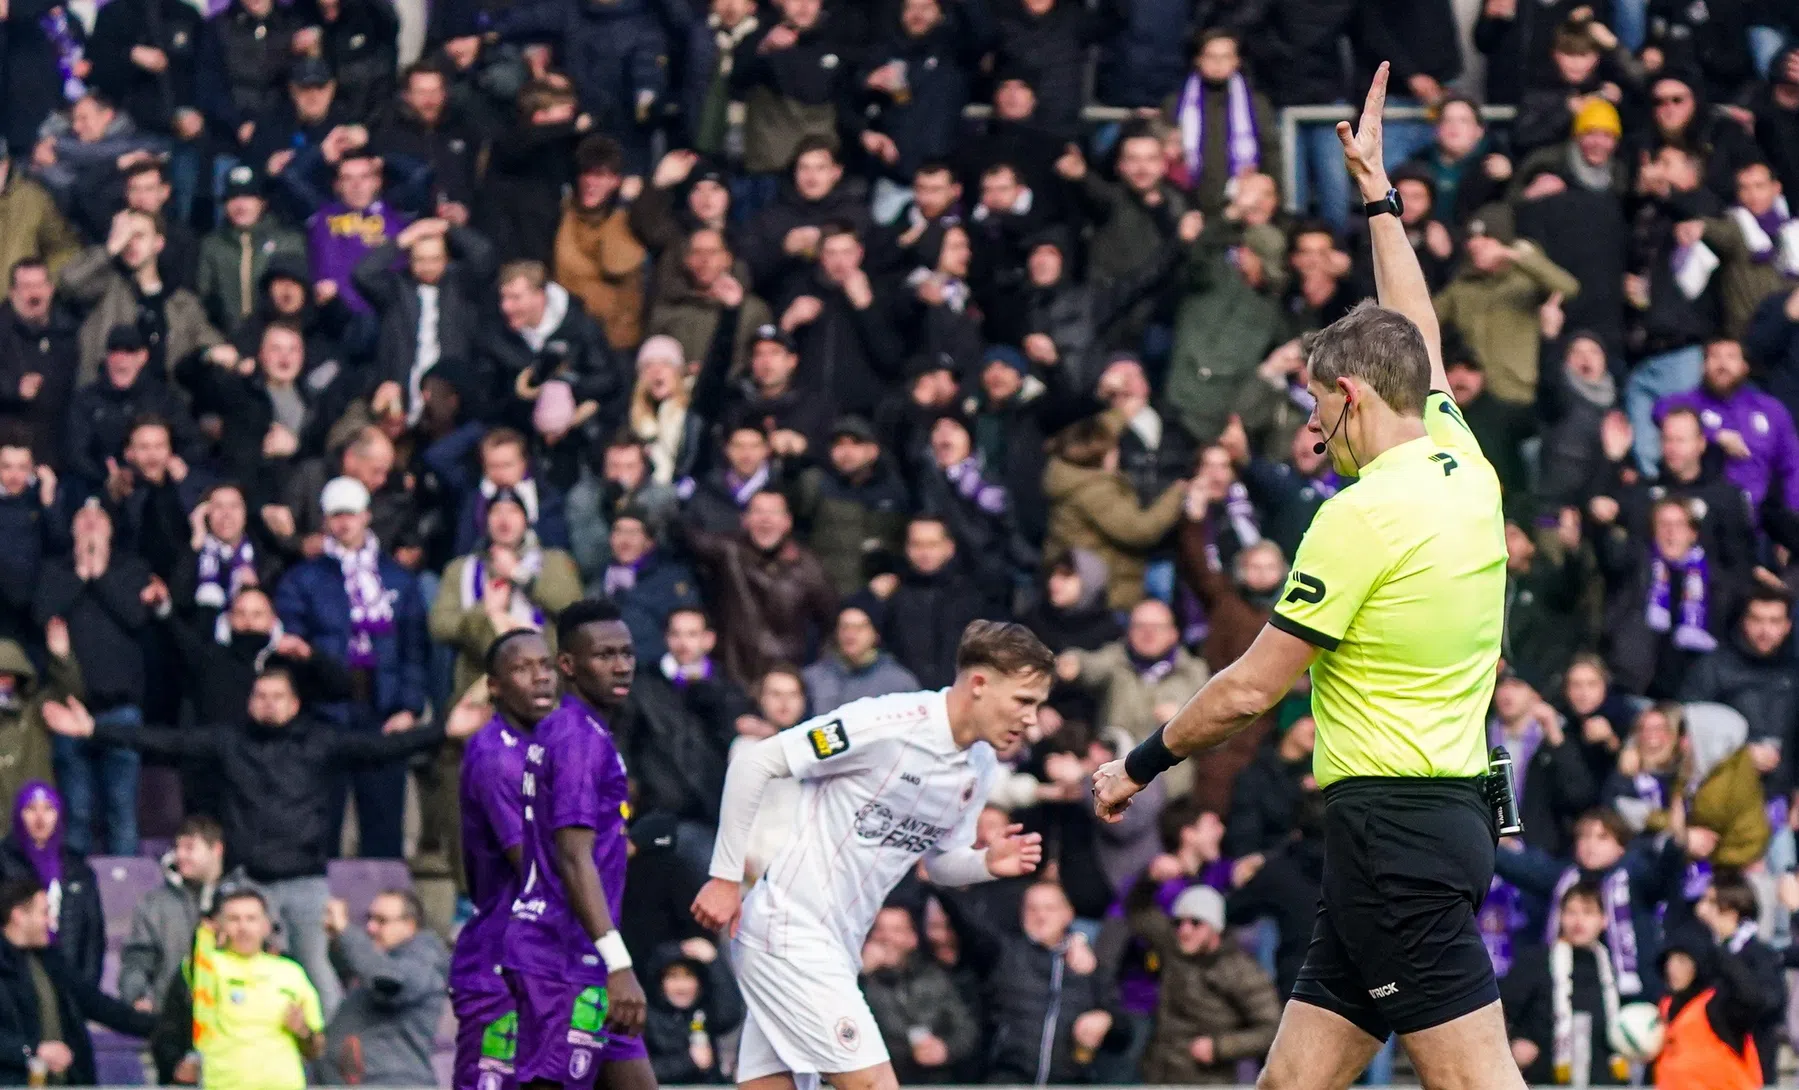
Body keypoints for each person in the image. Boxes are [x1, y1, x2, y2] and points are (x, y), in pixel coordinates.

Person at [1093, 65, 1521, 1090]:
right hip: (1439, 821)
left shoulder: (1357, 513)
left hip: (1394, 837)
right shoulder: (1460, 453)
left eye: (1314, 408)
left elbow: (1246, 689)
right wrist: (1375, 195)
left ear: (1344, 393)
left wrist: (1136, 765)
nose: (1310, 431)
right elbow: (1408, 322)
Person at [691, 620, 1053, 1090]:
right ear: (980, 684)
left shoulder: (979, 764)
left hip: (839, 946)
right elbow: (754, 764)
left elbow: (940, 863)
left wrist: (985, 863)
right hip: (789, 929)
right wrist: (724, 877)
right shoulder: (884, 723)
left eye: (1038, 706)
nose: (1032, 719)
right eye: (1024, 701)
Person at [39, 665, 466, 1020]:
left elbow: (382, 749)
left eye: (277, 695)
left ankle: (335, 1072)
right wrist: (94, 729)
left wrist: (444, 729)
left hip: (304, 885)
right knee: (225, 980)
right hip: (247, 885)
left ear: (295, 702)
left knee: (318, 979)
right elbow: (168, 742)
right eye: (260, 695)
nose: (267, 702)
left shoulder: (320, 740)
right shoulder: (231, 741)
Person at [503, 598, 657, 1090]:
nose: (621, 665)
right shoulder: (577, 741)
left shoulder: (572, 730)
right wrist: (618, 962)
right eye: (604, 655)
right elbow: (572, 856)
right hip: (565, 958)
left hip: (580, 952)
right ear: (567, 665)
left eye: (627, 653)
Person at [449, 630, 561, 1090]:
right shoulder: (497, 757)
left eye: (546, 666)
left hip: (551, 961)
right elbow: (536, 868)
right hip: (501, 965)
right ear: (493, 685)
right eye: (522, 668)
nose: (539, 678)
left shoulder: (552, 746)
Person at [0, 877, 155, 1086]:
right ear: (18, 915)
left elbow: (100, 1006)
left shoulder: (51, 962)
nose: (51, 922)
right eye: (44, 912)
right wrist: (33, 1051)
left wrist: (164, 1026)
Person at [1128, 883, 1281, 1084]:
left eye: (1196, 922)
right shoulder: (1174, 949)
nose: (1185, 930)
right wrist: (1148, 879)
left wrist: (1220, 1047)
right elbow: (1138, 913)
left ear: (1215, 927)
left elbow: (1273, 1029)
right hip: (1159, 1076)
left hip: (1208, 1080)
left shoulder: (1240, 970)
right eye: (1178, 922)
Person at [186, 887, 326, 1090]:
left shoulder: (291, 972)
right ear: (221, 924)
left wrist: (303, 1032)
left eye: (251, 918)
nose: (243, 927)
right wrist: (204, 935)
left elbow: (317, 1049)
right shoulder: (207, 967)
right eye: (234, 919)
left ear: (266, 926)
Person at [321, 888, 450, 1087]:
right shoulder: (382, 958)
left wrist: (346, 931)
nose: (371, 928)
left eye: (381, 920)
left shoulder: (424, 959)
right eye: (369, 918)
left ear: (409, 925)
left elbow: (389, 981)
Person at [118, 815, 226, 1014]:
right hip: (169, 1019)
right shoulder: (155, 903)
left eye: (190, 848)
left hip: (232, 1021)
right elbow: (137, 959)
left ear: (216, 850)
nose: (180, 855)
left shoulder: (243, 900)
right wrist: (136, 995)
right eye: (178, 848)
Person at [0, 783, 104, 986]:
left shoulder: (78, 869)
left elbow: (93, 938)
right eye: (31, 809)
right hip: (15, 983)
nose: (40, 819)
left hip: (70, 981)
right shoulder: (2, 864)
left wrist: (84, 990)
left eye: (49, 809)